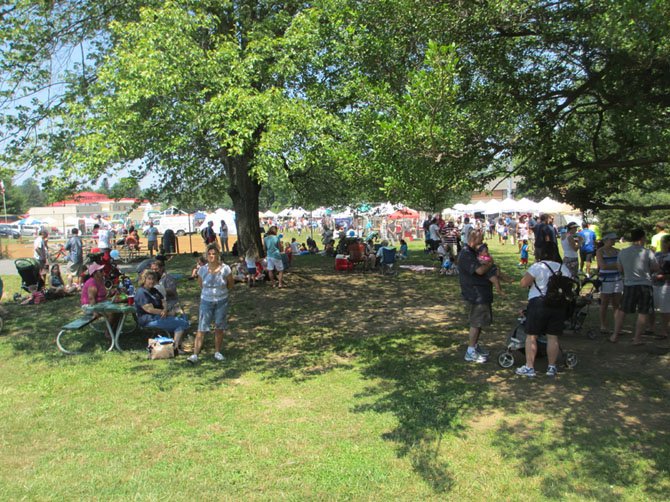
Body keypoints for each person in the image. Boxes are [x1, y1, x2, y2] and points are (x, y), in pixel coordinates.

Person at [516, 242, 571, 377]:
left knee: (532, 335)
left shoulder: (538, 267)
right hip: (558, 305)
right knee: (553, 337)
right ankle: (551, 367)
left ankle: (530, 366)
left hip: (539, 303)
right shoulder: (563, 268)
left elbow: (523, 283)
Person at [610, 228, 659, 345]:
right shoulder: (647, 252)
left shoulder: (622, 252)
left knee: (622, 310)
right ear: (642, 238)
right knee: (643, 311)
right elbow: (656, 268)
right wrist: (647, 270)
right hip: (644, 284)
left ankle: (614, 335)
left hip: (629, 284)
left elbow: (620, 269)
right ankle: (637, 338)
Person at [189, 244, 234, 363]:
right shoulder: (202, 270)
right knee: (202, 327)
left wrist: (221, 293)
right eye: (209, 254)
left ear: (218, 255)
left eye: (214, 254)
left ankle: (217, 352)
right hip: (206, 301)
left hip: (221, 301)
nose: (212, 256)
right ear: (206, 255)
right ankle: (195, 354)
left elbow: (230, 284)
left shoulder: (225, 268)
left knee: (219, 326)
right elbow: (201, 284)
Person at [457, 229, 494, 363]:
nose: (482, 242)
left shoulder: (472, 252)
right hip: (475, 294)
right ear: (472, 239)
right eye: (480, 239)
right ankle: (470, 351)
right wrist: (490, 263)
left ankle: (475, 346)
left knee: (480, 323)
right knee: (476, 322)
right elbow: (479, 270)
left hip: (482, 292)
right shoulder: (466, 254)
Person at [135, 270, 189, 352]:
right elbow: (149, 309)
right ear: (144, 279)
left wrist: (165, 309)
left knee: (182, 320)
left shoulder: (154, 290)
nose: (152, 281)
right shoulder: (141, 292)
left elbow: (163, 301)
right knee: (183, 323)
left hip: (160, 316)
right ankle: (176, 347)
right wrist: (164, 312)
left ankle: (176, 347)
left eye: (153, 279)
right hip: (149, 319)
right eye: (149, 279)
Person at [80, 263, 121, 339]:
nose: (103, 272)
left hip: (100, 304)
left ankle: (114, 329)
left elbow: (103, 296)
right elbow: (91, 298)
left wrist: (112, 293)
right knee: (112, 312)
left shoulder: (101, 280)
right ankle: (108, 332)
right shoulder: (92, 282)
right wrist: (95, 311)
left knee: (119, 311)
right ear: (94, 273)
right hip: (89, 306)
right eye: (100, 271)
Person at [596, 233, 623, 335]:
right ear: (605, 240)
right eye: (611, 240)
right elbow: (603, 266)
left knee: (617, 303)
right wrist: (616, 265)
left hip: (617, 279)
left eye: (614, 240)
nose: (613, 241)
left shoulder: (618, 251)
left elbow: (621, 266)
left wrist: (613, 266)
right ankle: (603, 324)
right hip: (606, 280)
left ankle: (617, 326)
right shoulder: (600, 251)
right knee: (604, 303)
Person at [652, 234, 670, 339]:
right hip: (654, 284)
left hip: (666, 285)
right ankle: (651, 327)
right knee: (652, 307)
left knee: (665, 309)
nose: (661, 244)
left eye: (663, 242)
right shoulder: (657, 254)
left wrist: (664, 276)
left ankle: (664, 330)